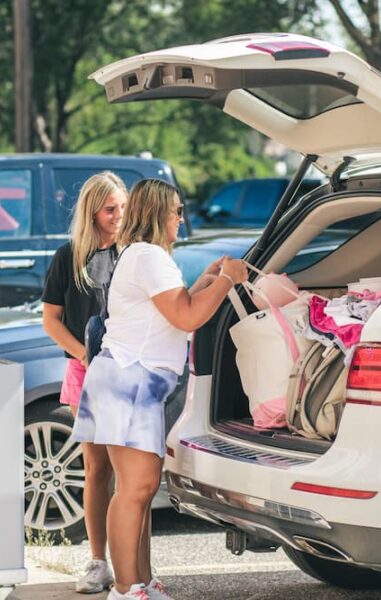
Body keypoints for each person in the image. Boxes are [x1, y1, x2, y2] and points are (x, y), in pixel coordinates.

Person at [71, 179, 248, 600]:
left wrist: (206, 280)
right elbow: (187, 318)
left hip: (128, 379)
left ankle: (141, 584)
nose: (181, 219)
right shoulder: (149, 257)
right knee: (134, 490)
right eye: (176, 211)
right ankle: (127, 589)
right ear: (156, 213)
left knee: (142, 490)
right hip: (130, 379)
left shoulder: (142, 256)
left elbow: (174, 309)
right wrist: (227, 279)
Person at [42, 171, 128, 593]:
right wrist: (82, 354)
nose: (118, 216)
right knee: (97, 469)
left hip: (129, 373)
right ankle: (98, 563)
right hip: (85, 372)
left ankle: (134, 567)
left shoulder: (133, 254)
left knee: (131, 475)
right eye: (110, 209)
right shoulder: (68, 256)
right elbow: (50, 321)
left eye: (123, 208)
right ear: (92, 211)